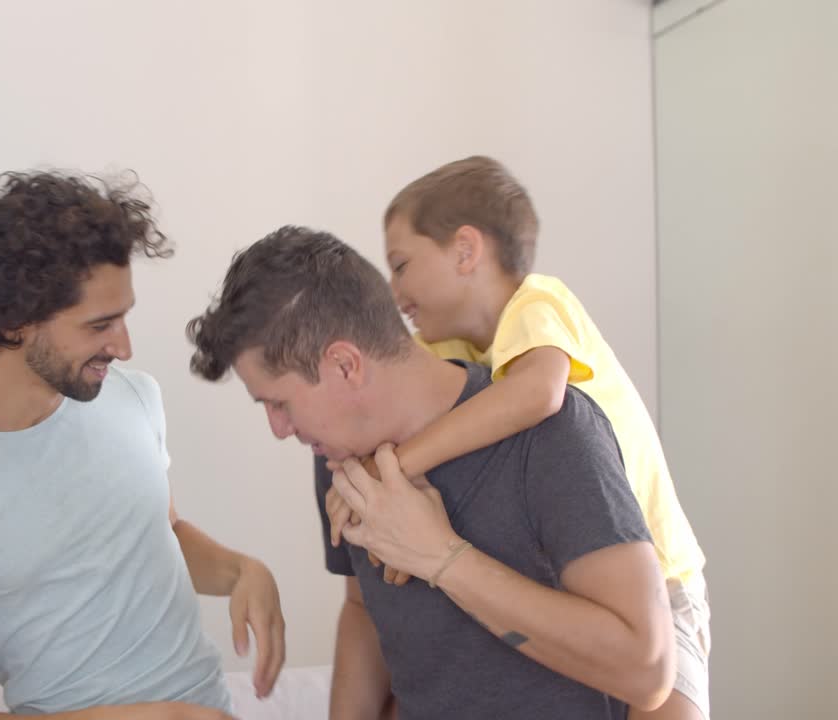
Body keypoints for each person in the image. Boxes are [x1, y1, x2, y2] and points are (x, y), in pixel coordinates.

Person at [187, 226, 674, 720]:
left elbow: (647, 672)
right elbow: (363, 615)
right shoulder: (342, 457)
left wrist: (441, 557)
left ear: (344, 365)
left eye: (279, 403)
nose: (278, 428)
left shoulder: (552, 436)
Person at [0, 170, 284, 719]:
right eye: (101, 324)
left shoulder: (134, 398)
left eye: (124, 317)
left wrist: (242, 571)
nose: (123, 346)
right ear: (16, 322)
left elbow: (156, 536)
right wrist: (152, 718)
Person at [328, 155, 711, 720]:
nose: (395, 290)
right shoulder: (449, 353)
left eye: (402, 264)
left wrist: (400, 467)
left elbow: (538, 395)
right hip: (569, 579)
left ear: (465, 250)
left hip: (660, 577)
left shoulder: (539, 303)